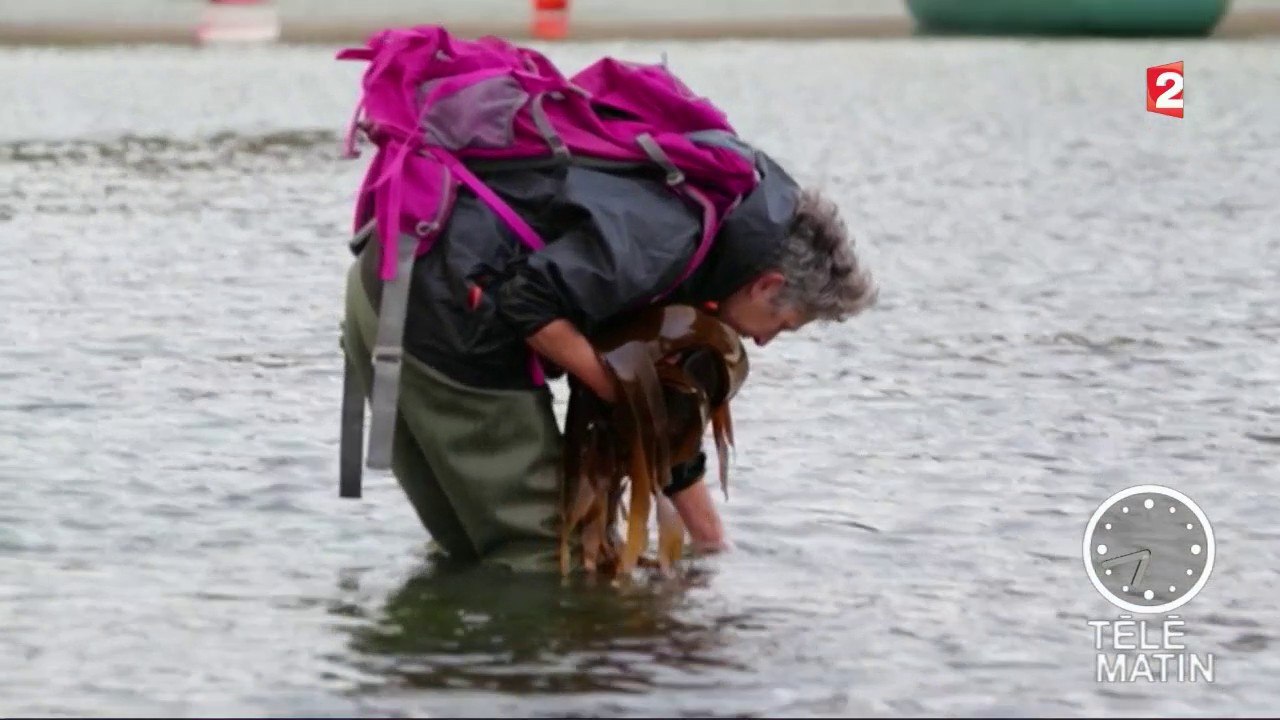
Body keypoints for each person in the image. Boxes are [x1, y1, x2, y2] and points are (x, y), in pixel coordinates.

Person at [340, 140, 877, 573]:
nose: (764, 342)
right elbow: (529, 302)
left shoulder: (718, 223)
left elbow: (665, 421)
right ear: (768, 285)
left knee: (468, 546)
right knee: (550, 560)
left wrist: (712, 548)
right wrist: (620, 392)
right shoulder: (669, 240)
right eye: (783, 325)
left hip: (385, 277)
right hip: (443, 314)